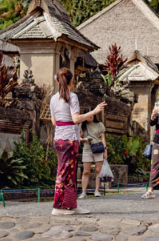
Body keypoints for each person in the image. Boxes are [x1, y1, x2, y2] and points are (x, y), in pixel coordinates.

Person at [50, 68, 106, 215]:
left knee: (67, 172)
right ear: (72, 80)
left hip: (59, 138)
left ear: (57, 81)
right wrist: (93, 112)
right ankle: (58, 206)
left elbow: (54, 122)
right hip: (69, 139)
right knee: (65, 172)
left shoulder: (53, 98)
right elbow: (75, 119)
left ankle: (71, 204)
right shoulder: (72, 97)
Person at [79, 108, 107, 199]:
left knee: (98, 170)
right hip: (87, 148)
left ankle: (97, 190)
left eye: (91, 115)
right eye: (88, 116)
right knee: (86, 171)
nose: (89, 118)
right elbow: (78, 138)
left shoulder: (99, 124)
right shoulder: (82, 125)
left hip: (98, 148)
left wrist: (105, 150)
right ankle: (83, 192)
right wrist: (84, 140)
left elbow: (103, 138)